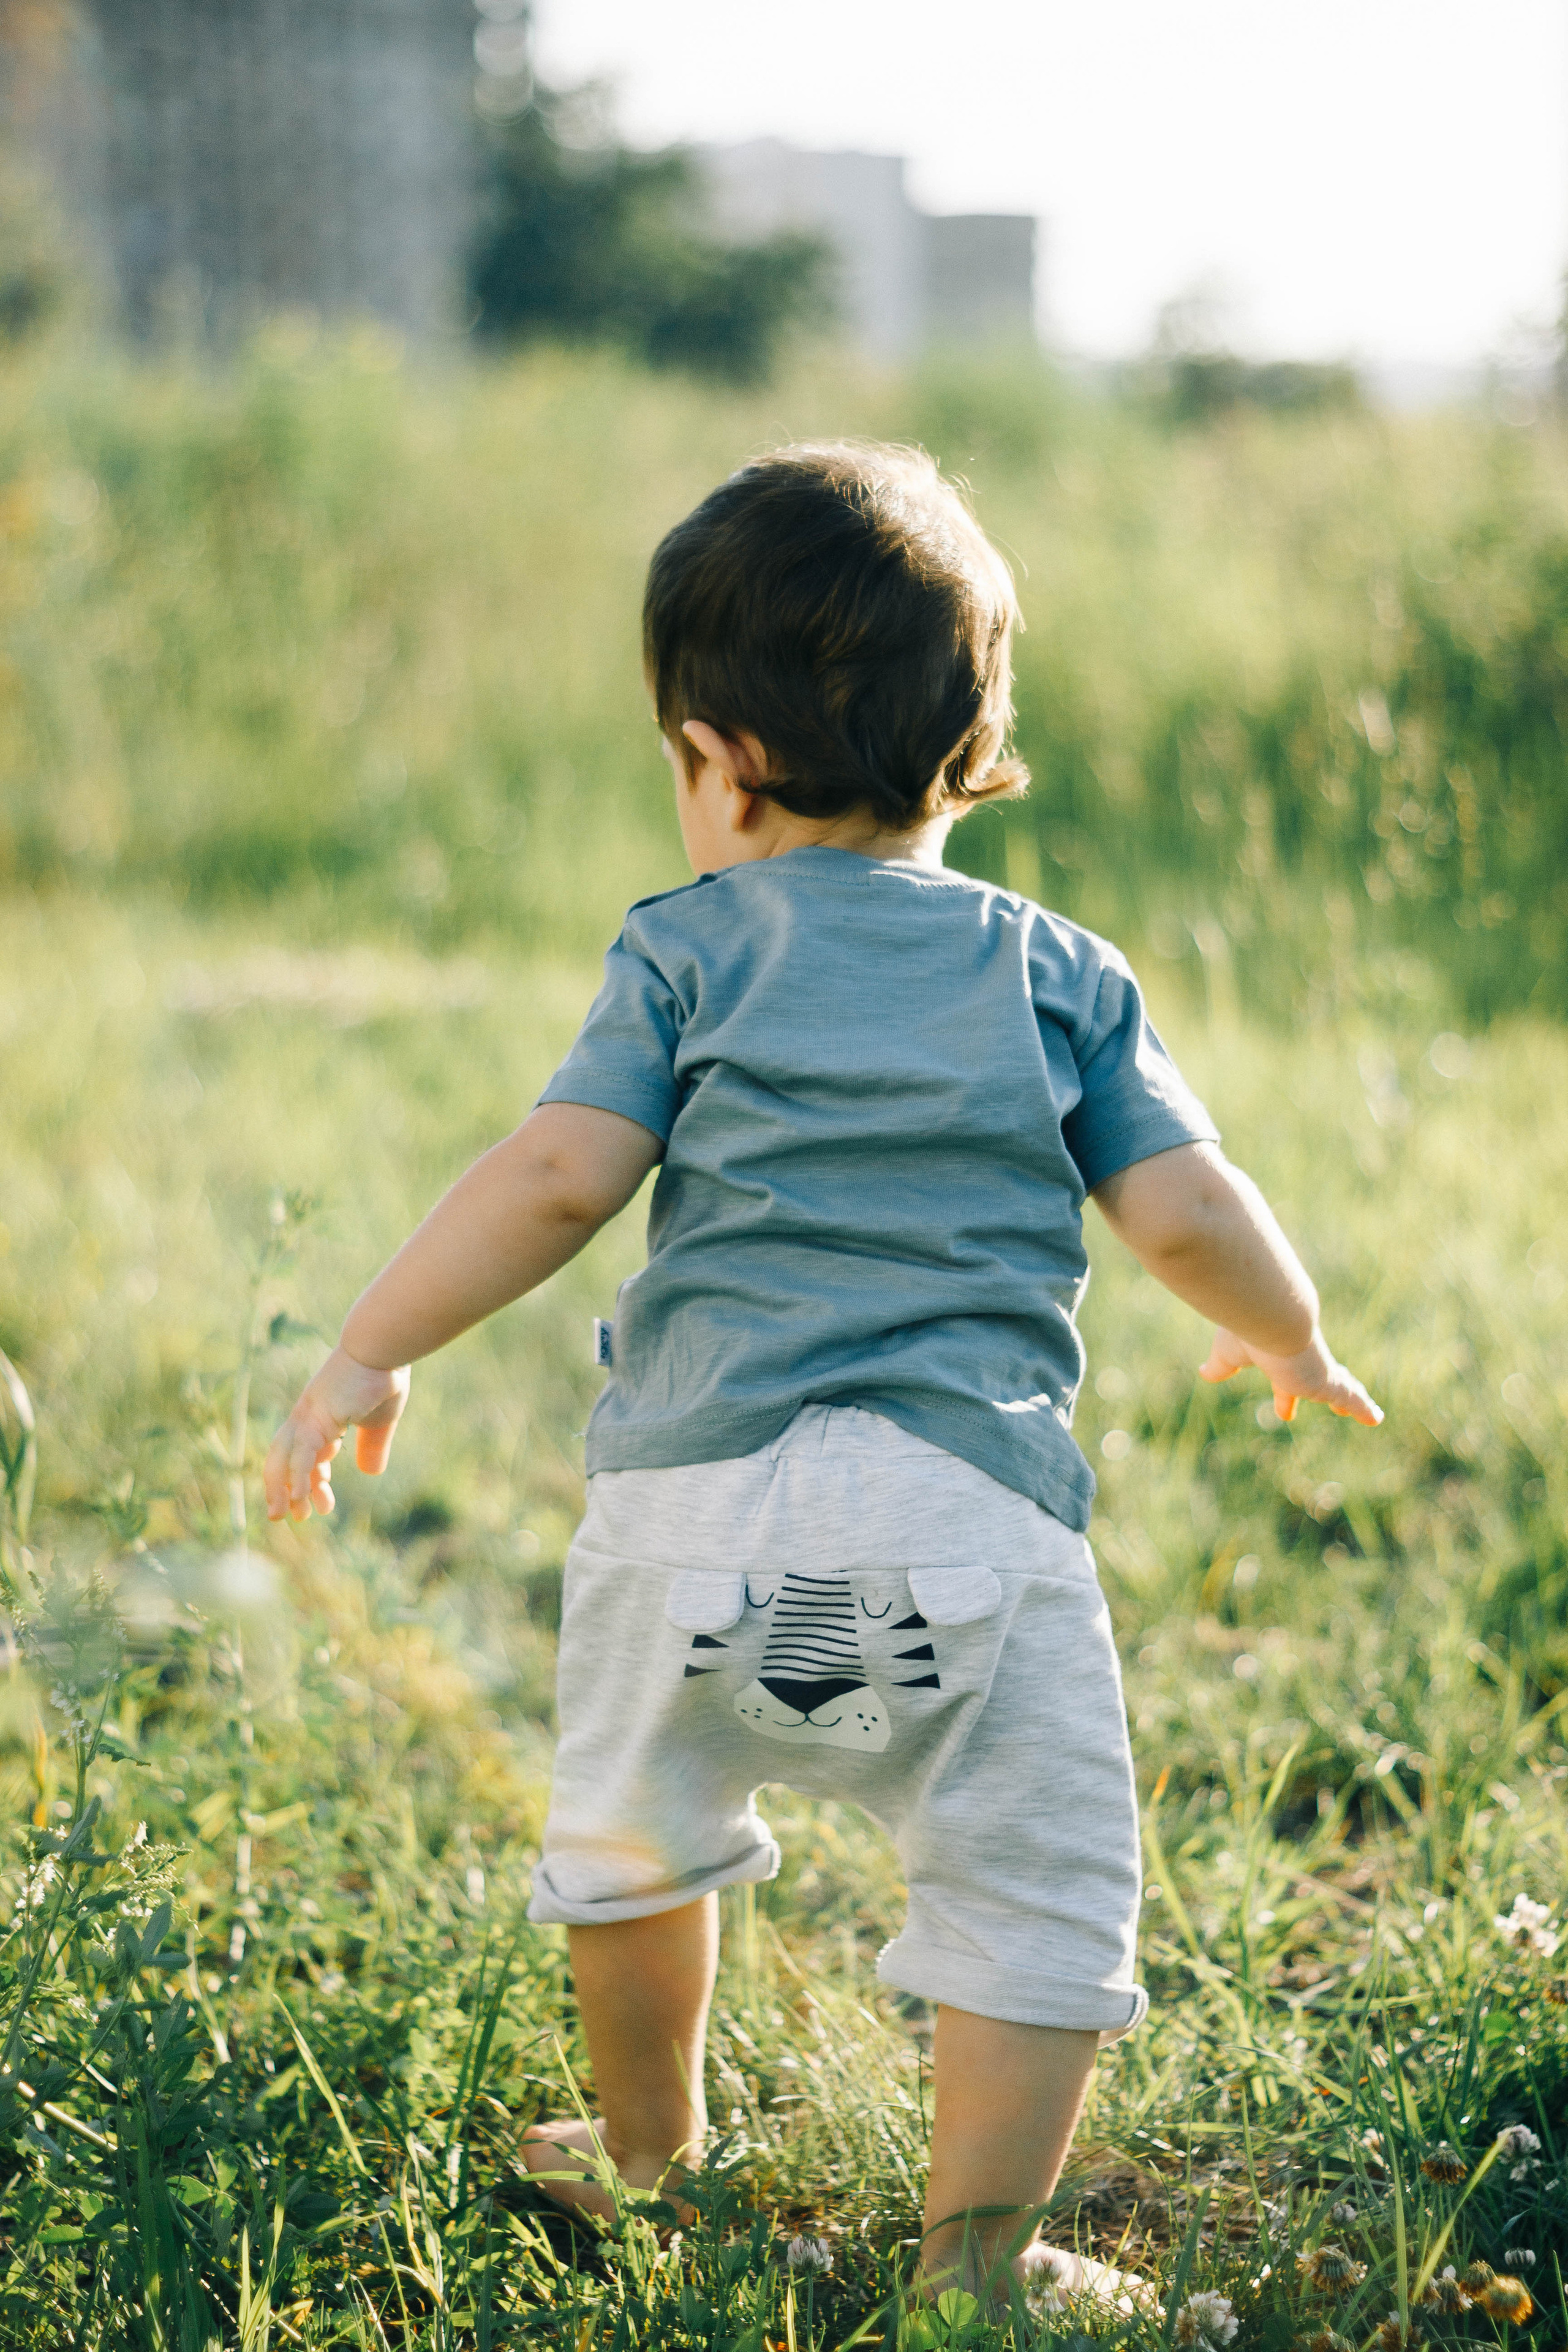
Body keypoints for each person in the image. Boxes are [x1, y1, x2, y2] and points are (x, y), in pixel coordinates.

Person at [264, 442, 1381, 2307]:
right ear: (971, 750)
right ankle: (975, 2269)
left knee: (634, 1841)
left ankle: (650, 2163)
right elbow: (1185, 1203)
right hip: (961, 1537)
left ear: (717, 760)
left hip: (699, 1532)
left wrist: (371, 1344)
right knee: (1030, 1898)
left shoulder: (685, 954)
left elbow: (554, 1176)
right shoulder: (1056, 972)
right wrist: (1293, 1335)